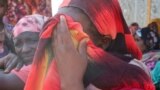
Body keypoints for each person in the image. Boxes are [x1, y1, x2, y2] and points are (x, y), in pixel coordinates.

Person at [24, 0, 154, 90]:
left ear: (103, 42)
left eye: (71, 33)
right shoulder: (51, 65)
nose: (61, 43)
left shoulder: (131, 80)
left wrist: (72, 84)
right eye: (56, 30)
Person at [0, 14, 48, 90]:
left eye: (32, 40)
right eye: (18, 44)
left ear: (47, 39)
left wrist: (1, 62)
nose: (25, 49)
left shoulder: (43, 66)